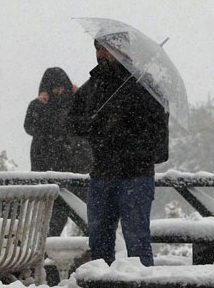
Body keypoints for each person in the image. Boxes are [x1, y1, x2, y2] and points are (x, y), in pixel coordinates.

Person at [69, 37, 169, 267]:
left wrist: (125, 129)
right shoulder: (92, 86)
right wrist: (94, 125)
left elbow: (158, 132)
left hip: (136, 175)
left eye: (107, 48)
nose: (101, 54)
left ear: (122, 50)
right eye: (98, 49)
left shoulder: (145, 85)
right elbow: (72, 123)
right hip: (102, 173)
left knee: (137, 240)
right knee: (99, 241)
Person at [24, 67, 92, 236]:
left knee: (85, 212)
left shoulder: (78, 102)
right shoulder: (39, 105)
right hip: (50, 168)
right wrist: (39, 106)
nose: (59, 91)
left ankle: (95, 251)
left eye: (62, 87)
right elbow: (30, 127)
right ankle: (47, 250)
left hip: (76, 167)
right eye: (55, 88)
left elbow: (88, 124)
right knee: (55, 214)